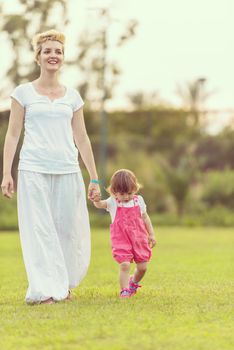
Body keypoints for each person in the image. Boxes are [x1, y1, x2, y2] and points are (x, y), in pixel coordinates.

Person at [1, 29, 101, 305]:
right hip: (33, 169)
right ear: (38, 57)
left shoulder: (73, 97)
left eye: (58, 51)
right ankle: (44, 289)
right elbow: (12, 134)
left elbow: (81, 137)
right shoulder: (22, 93)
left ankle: (63, 285)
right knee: (40, 229)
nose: (53, 55)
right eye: (48, 51)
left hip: (68, 170)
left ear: (63, 58)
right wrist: (6, 173)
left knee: (68, 229)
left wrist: (94, 177)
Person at [93, 169, 156, 298]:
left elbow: (145, 217)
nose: (126, 197)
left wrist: (151, 234)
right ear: (114, 192)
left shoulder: (139, 201)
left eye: (129, 193)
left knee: (143, 267)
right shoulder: (113, 202)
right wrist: (96, 199)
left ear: (135, 189)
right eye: (122, 194)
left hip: (139, 238)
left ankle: (133, 282)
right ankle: (125, 290)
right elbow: (100, 205)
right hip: (121, 239)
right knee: (125, 264)